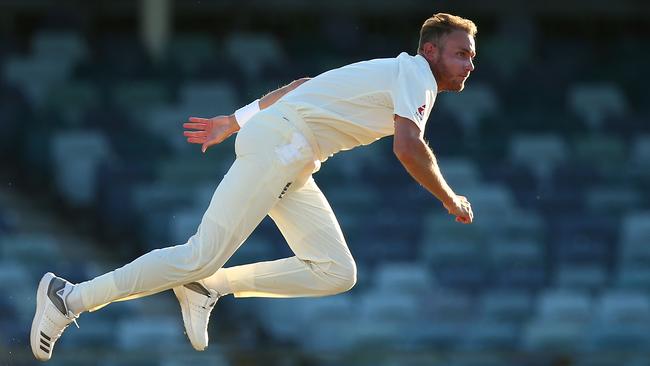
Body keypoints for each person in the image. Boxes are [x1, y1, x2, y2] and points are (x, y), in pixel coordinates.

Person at [31, 12, 476, 361]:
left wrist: (235, 120)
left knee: (337, 272)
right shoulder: (417, 75)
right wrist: (449, 197)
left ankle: (210, 287)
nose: (469, 64)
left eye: (472, 56)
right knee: (197, 255)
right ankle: (68, 298)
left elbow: (304, 86)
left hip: (292, 154)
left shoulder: (394, 72)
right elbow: (408, 147)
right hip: (283, 146)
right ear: (430, 51)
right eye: (461, 54)